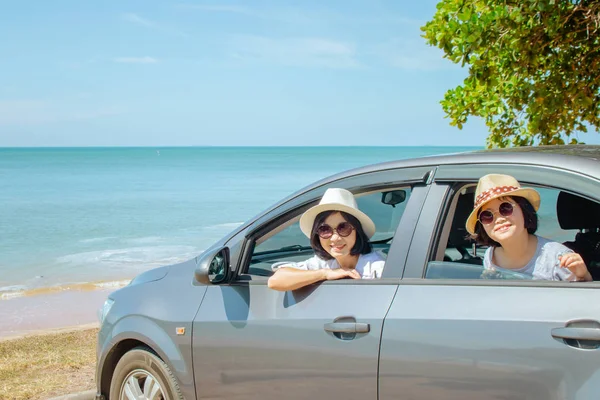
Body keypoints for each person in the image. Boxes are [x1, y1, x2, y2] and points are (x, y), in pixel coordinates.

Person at [466, 174, 592, 281]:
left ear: (524, 209)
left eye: (505, 208)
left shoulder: (558, 258)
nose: (499, 219)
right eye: (487, 215)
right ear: (481, 225)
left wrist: (583, 275)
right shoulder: (490, 257)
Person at [267, 188, 385, 291]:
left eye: (343, 228)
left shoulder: (377, 268)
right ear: (317, 235)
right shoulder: (324, 263)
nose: (335, 238)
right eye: (325, 230)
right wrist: (325, 273)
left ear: (357, 231)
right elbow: (275, 280)